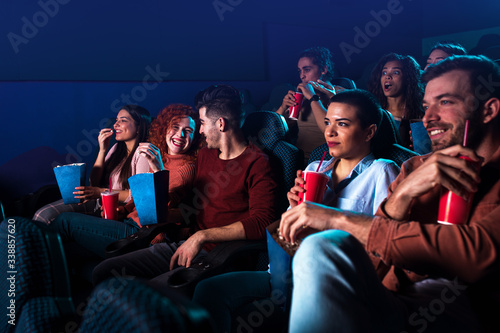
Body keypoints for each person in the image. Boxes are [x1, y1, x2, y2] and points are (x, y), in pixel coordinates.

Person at [284, 55, 500, 332]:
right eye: (426, 106)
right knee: (319, 248)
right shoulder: (414, 168)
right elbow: (374, 266)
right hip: (395, 301)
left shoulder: (384, 168)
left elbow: (477, 256)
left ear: (489, 109)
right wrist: (402, 195)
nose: (428, 118)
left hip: (467, 310)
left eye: (445, 102)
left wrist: (337, 219)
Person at [192, 89, 401, 333]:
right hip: (285, 270)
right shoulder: (316, 167)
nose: (330, 132)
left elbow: (386, 241)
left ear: (369, 132)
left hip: (335, 277)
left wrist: (325, 211)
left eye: (342, 124)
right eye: (327, 123)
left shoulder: (382, 171)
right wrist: (293, 208)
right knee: (207, 290)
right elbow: (289, 233)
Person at [92, 85, 278, 286]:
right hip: (187, 244)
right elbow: (187, 207)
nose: (201, 130)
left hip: (221, 256)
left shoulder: (258, 163)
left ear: (221, 124)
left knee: (148, 293)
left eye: (203, 123)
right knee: (103, 272)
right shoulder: (206, 155)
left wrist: (202, 236)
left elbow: (263, 222)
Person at [48, 104, 202, 258]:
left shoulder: (186, 168)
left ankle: (28, 262)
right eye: (175, 127)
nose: (180, 135)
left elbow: (156, 212)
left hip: (145, 235)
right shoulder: (159, 155)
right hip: (128, 222)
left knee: (64, 221)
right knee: (68, 250)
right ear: (164, 129)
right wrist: (122, 211)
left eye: (188, 131)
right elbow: (139, 198)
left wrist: (158, 170)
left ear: (195, 138)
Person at [32, 105, 152, 224]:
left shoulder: (143, 153)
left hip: (116, 209)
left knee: (47, 217)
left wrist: (99, 191)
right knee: (42, 214)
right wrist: (102, 150)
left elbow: (138, 195)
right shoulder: (116, 148)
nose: (115, 125)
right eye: (116, 120)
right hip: (97, 201)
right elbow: (94, 182)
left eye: (123, 120)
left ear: (139, 127)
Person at [275, 46, 344, 163]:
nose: (302, 76)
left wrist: (312, 98)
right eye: (299, 71)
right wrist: (283, 108)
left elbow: (330, 129)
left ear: (323, 69)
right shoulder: (301, 97)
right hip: (297, 159)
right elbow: (274, 131)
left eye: (306, 70)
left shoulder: (340, 94)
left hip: (326, 160)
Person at [368, 52, 431, 154]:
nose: (387, 76)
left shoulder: (422, 114)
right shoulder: (373, 113)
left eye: (395, 72)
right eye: (384, 73)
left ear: (408, 78)